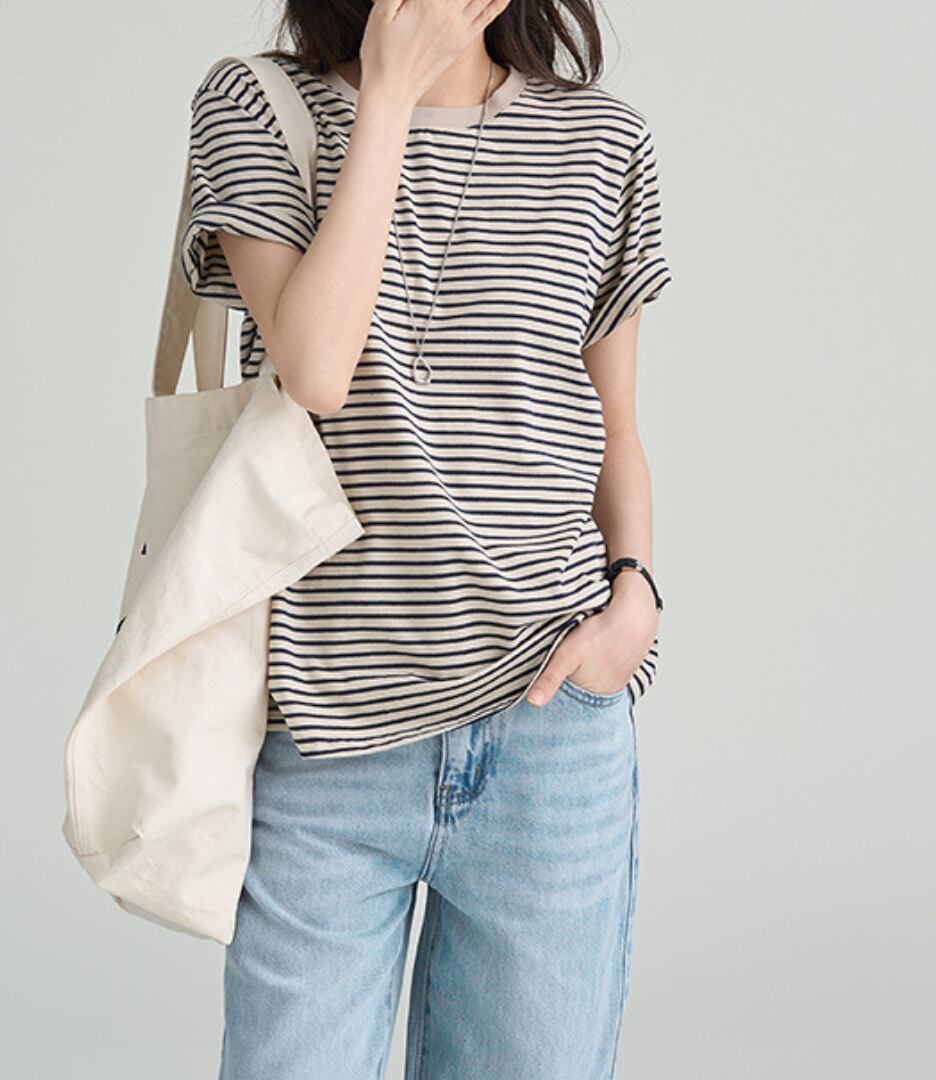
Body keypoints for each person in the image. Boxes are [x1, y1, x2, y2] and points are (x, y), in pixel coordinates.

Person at [179, 1, 672, 1076]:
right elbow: (317, 369)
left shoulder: (603, 140)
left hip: (551, 728)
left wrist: (635, 595)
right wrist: (390, 93)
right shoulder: (260, 108)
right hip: (328, 738)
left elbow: (616, 426)